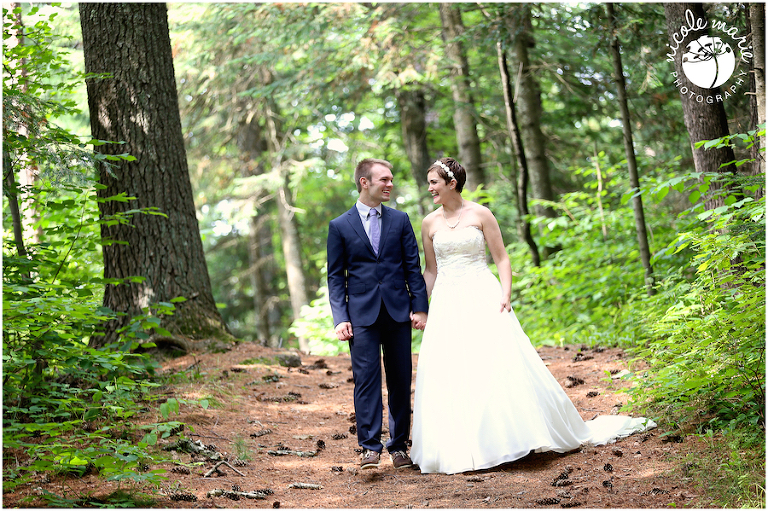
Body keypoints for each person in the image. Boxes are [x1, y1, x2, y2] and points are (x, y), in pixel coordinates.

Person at [410, 157, 655, 475]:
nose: (429, 188)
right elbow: (430, 270)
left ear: (451, 183)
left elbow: (501, 258)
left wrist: (506, 294)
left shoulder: (481, 214)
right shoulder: (429, 223)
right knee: (453, 366)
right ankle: (460, 445)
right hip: (447, 301)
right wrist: (420, 306)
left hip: (482, 294)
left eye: (433, 182)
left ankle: (509, 438)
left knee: (492, 363)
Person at [327, 158, 429, 470]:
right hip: (361, 317)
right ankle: (369, 448)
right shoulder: (340, 226)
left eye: (391, 179)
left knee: (400, 379)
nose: (390, 184)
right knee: (366, 380)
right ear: (364, 182)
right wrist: (340, 317)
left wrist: (420, 307)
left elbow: (413, 267)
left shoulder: (400, 220)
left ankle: (398, 447)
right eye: (384, 179)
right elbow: (335, 276)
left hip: (398, 312)